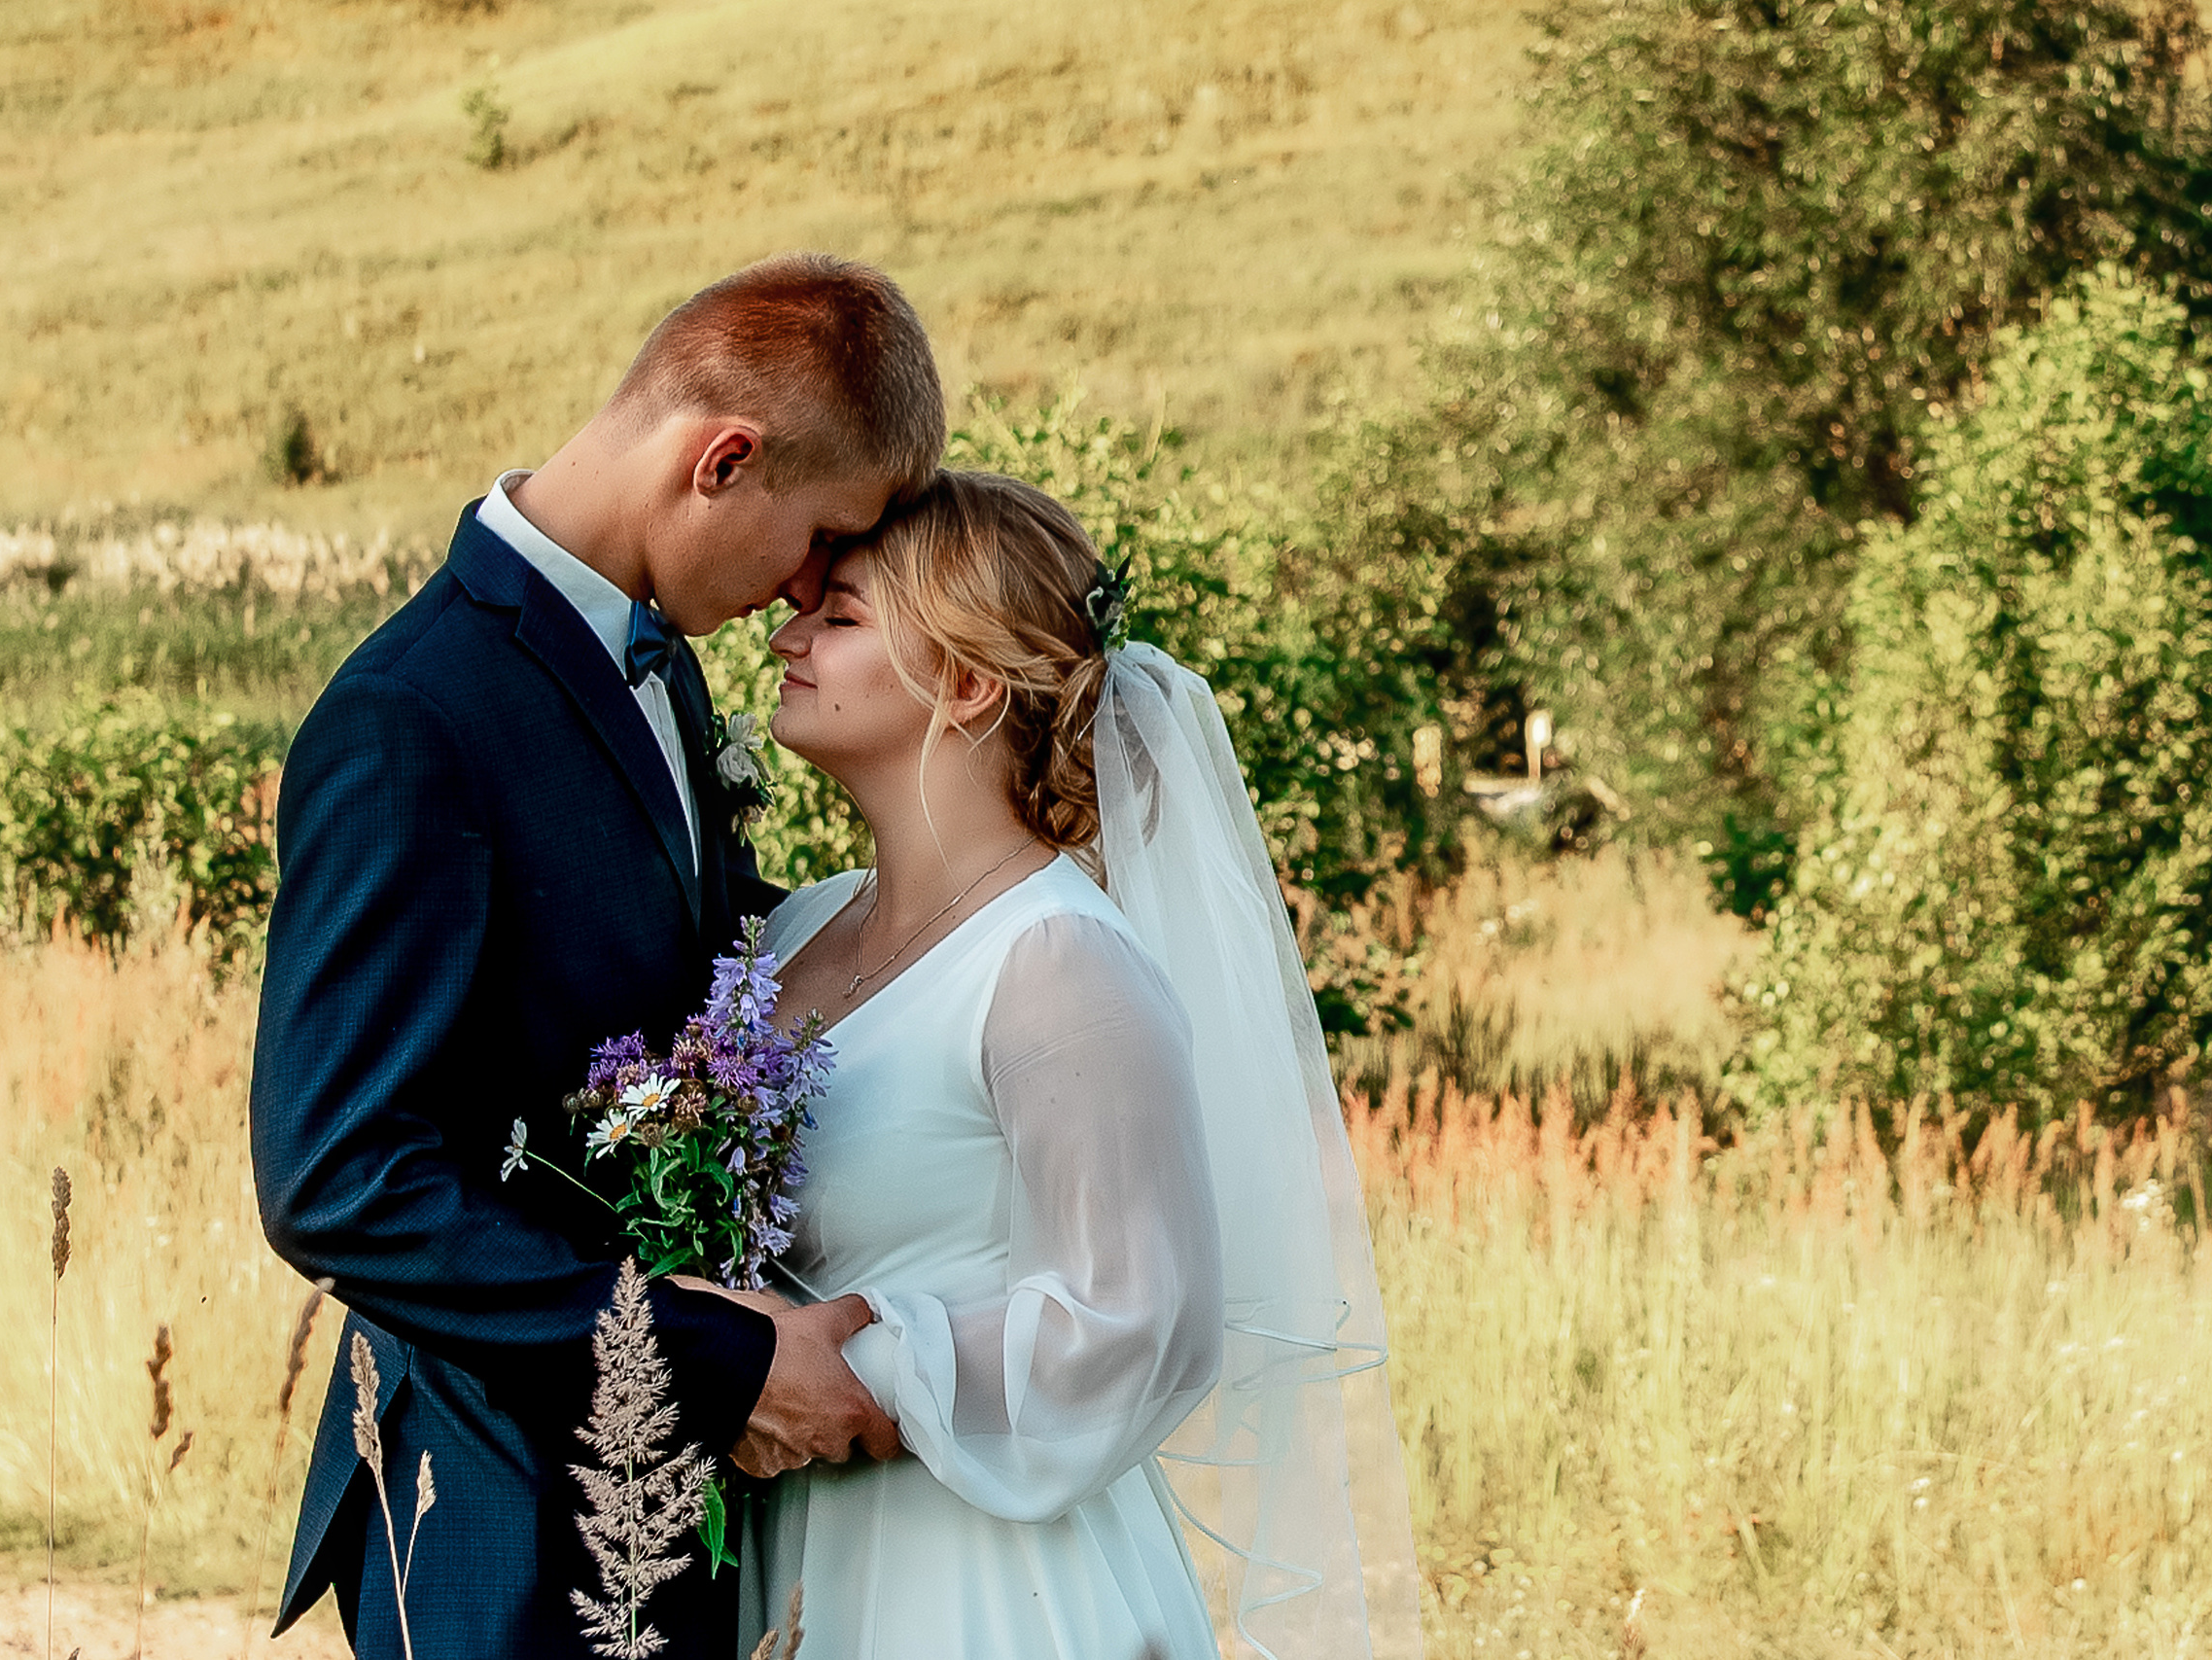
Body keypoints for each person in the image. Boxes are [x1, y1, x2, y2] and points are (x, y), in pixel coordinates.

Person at [248, 253, 943, 1659]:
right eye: (823, 535)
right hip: (496, 1513)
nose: (814, 587)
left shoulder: (660, 659)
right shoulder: (412, 717)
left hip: (659, 1502)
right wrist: (724, 1362)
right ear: (725, 459)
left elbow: (668, 1024)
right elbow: (337, 1175)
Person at [737, 472, 1424, 1659]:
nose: (785, 635)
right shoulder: (793, 932)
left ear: (963, 682)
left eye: (839, 617)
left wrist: (848, 1370)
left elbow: (1139, 1318)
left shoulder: (1058, 964)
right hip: (786, 1554)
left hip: (984, 1580)